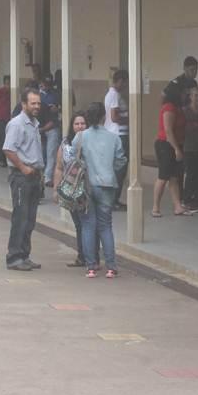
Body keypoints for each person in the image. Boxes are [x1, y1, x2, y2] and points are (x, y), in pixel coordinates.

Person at [74, 102, 127, 278]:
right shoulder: (114, 138)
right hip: (107, 185)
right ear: (104, 117)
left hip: (87, 185)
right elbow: (121, 160)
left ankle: (91, 266)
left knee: (88, 225)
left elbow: (72, 158)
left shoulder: (81, 137)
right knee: (105, 226)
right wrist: (110, 170)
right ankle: (111, 267)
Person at [3, 88, 45, 271]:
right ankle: (14, 257)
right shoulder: (16, 124)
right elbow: (8, 149)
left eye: (38, 103)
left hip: (35, 176)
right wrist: (23, 168)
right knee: (20, 217)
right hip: (21, 177)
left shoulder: (34, 124)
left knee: (30, 219)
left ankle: (24, 255)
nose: (36, 106)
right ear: (24, 104)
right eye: (33, 103)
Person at [54, 111, 97, 268]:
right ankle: (82, 256)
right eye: (76, 124)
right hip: (72, 190)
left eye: (83, 123)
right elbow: (59, 167)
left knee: (89, 224)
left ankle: (91, 257)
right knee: (79, 224)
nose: (80, 126)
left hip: (90, 188)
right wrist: (55, 189)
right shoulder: (65, 143)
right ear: (72, 126)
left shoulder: (93, 141)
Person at [152, 87, 191, 217]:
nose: (185, 96)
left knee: (174, 177)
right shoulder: (169, 108)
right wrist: (176, 149)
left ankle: (177, 206)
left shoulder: (178, 108)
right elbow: (168, 131)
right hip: (166, 144)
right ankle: (155, 207)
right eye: (183, 93)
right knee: (163, 176)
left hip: (177, 143)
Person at [104, 69, 130, 210]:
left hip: (114, 134)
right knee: (120, 168)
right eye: (125, 82)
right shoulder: (114, 95)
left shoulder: (111, 94)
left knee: (117, 168)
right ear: (120, 81)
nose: (125, 85)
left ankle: (113, 199)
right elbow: (114, 117)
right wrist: (129, 120)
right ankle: (113, 199)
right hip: (119, 134)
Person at [39, 74, 61, 188]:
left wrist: (58, 109)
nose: (47, 86)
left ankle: (47, 177)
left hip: (52, 126)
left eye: (49, 84)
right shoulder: (36, 95)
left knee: (51, 153)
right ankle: (41, 175)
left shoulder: (55, 94)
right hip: (39, 127)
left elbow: (62, 107)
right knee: (41, 153)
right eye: (45, 84)